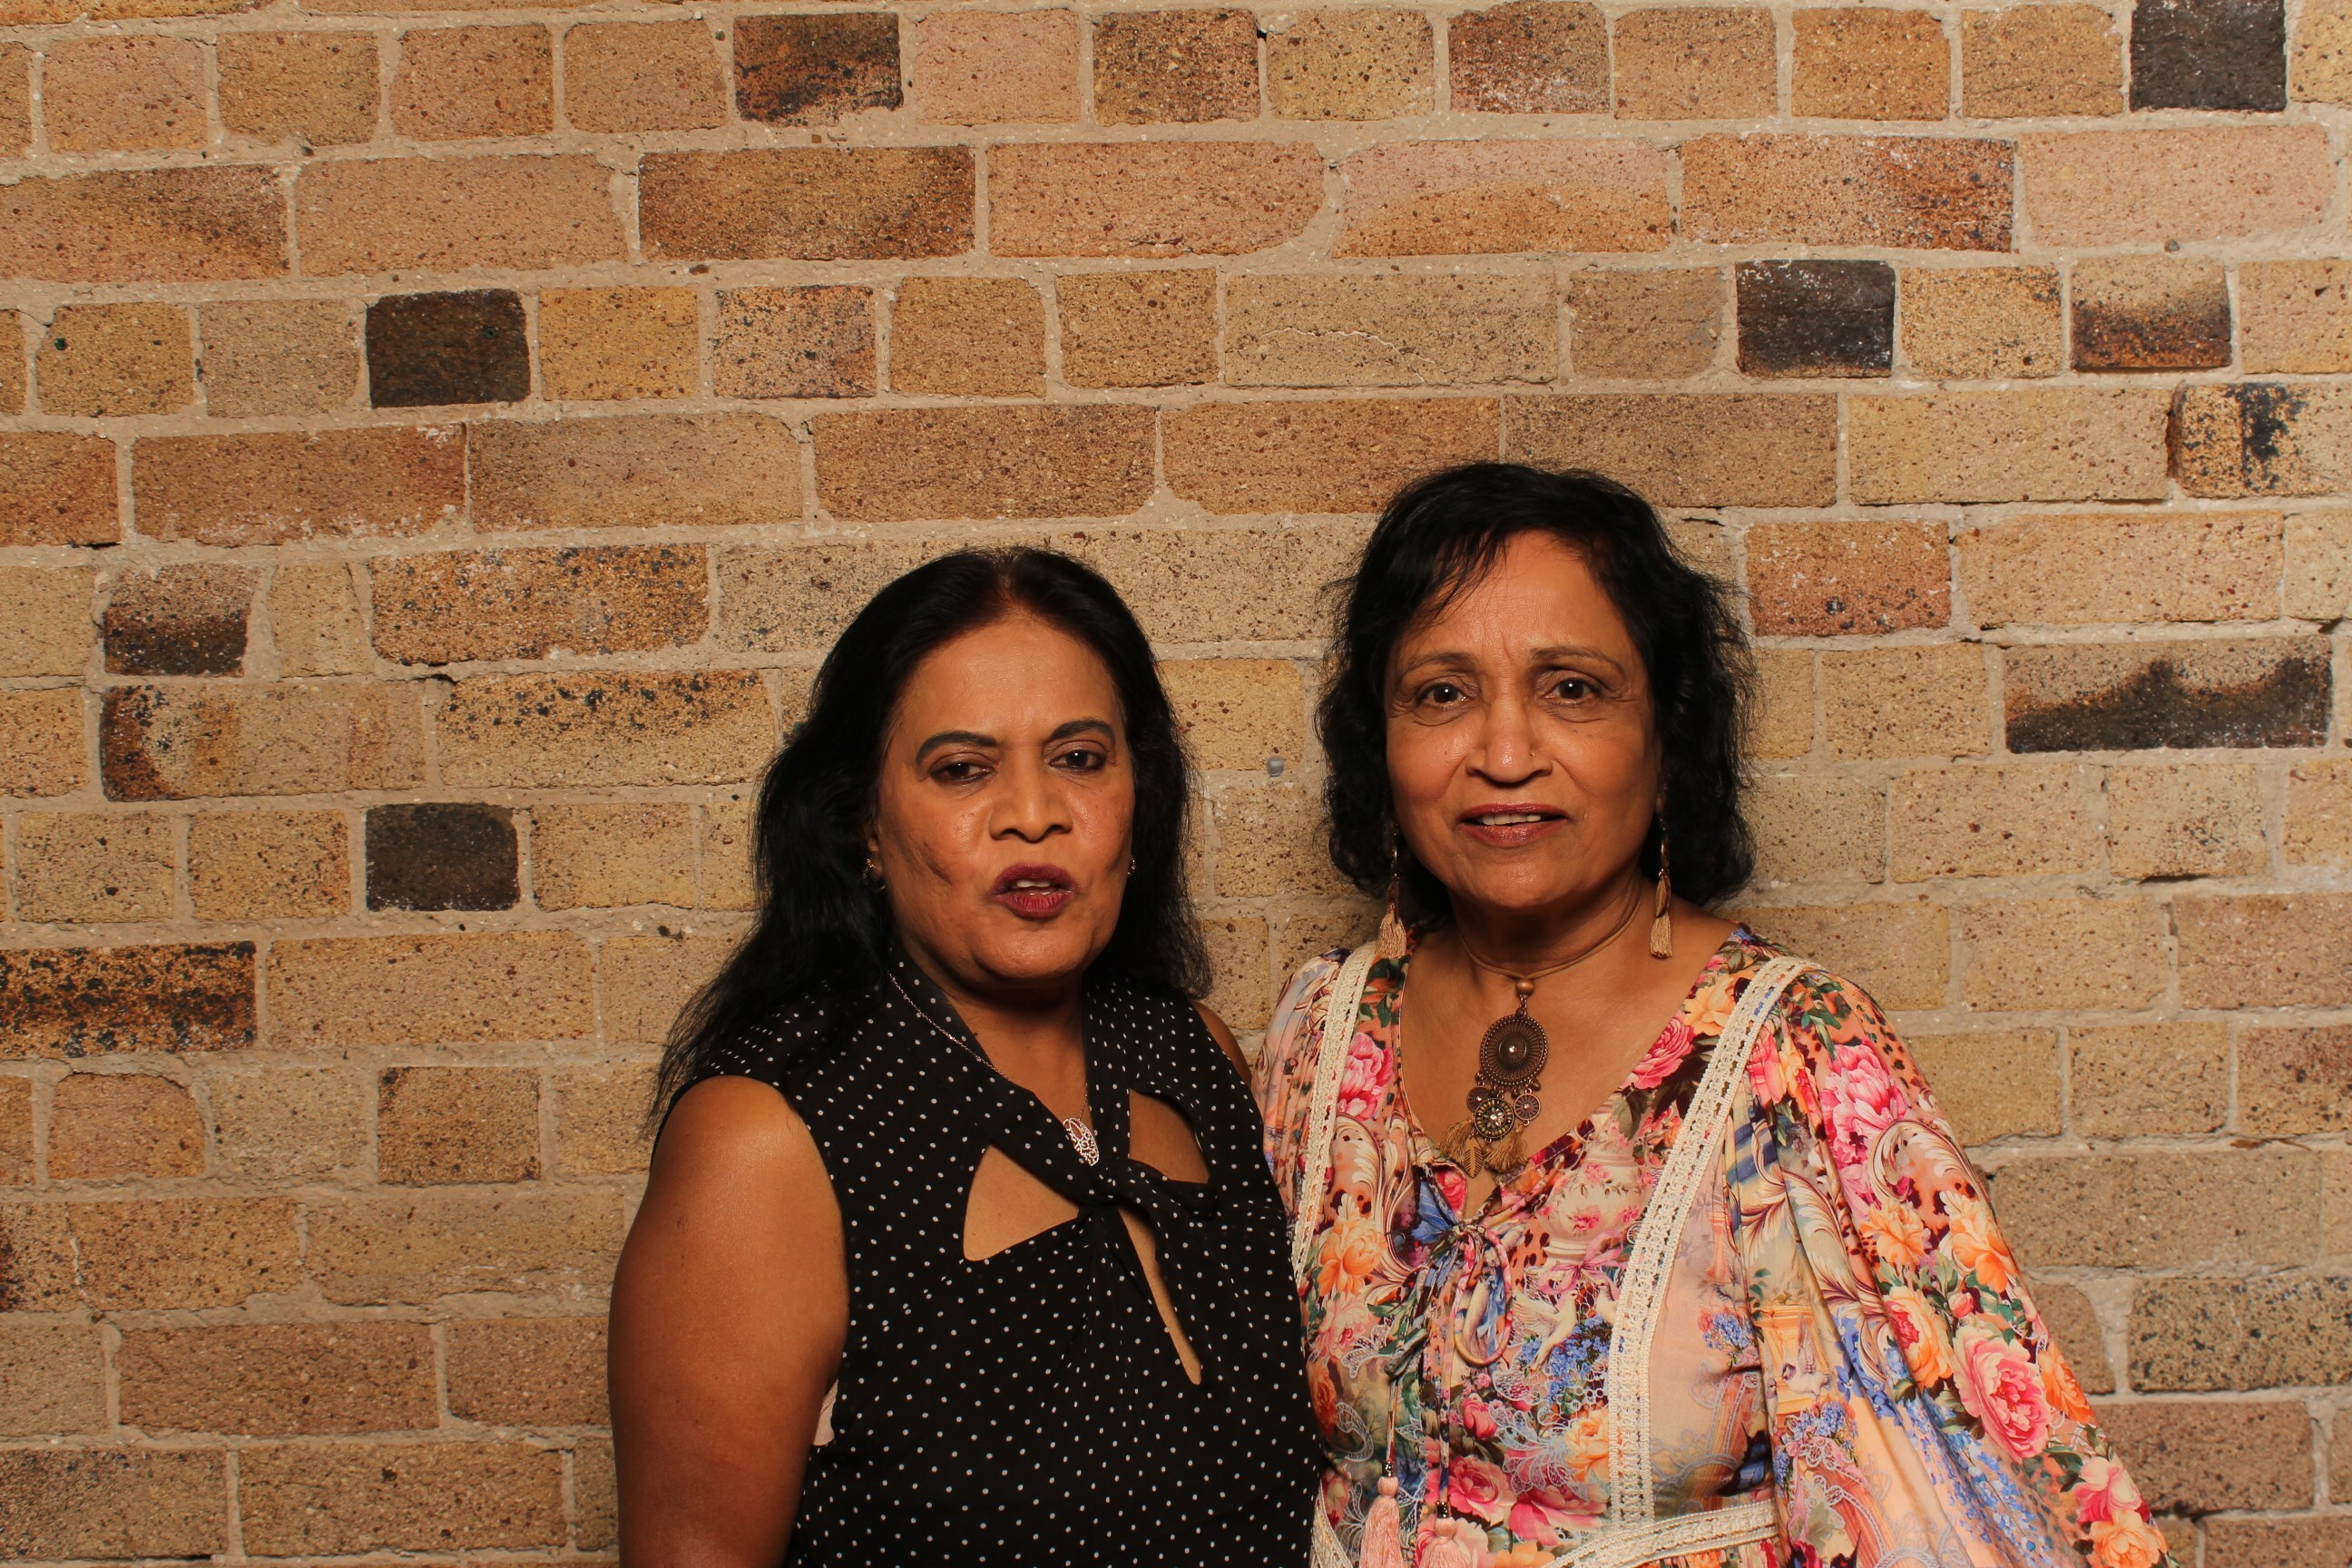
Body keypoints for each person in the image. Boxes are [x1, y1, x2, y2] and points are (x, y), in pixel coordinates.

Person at [1258, 465, 2169, 1568]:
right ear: (1383, 739)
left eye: (1572, 689)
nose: (1503, 754)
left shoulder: (1797, 1057)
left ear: (1668, 733)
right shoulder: (1326, 1029)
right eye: (1442, 693)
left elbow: (1969, 1506)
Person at [612, 548, 1317, 1565]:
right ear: (864, 822)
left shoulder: (1191, 1053)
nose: (1033, 813)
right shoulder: (765, 1141)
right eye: (962, 769)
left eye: (1080, 758)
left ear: (1138, 796)